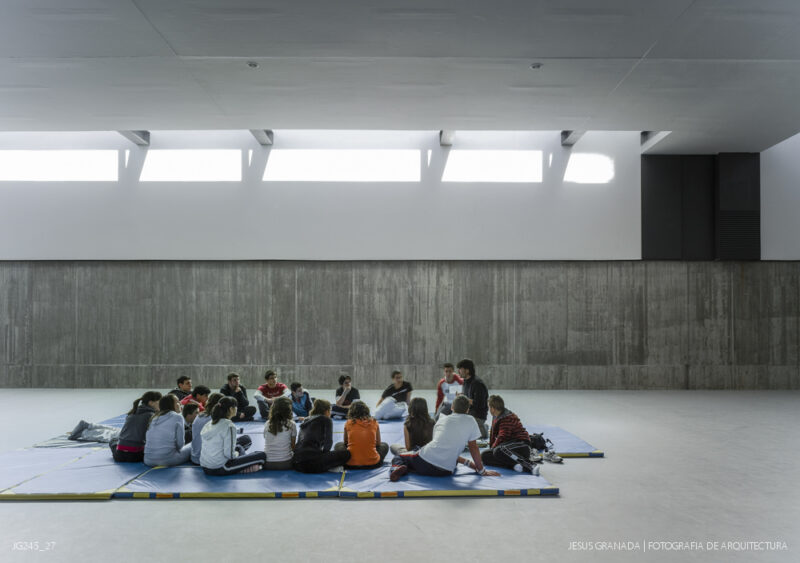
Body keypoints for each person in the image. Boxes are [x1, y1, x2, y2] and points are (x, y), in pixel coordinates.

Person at [389, 395, 500, 481]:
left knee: (399, 456)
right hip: (446, 471)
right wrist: (481, 470)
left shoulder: (441, 421)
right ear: (467, 410)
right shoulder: (471, 420)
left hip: (426, 463)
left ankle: (397, 468)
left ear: (452, 407)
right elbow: (473, 447)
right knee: (436, 454)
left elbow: (439, 447)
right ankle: (408, 467)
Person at [200, 397, 266, 475]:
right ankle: (243, 468)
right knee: (261, 455)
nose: (237, 409)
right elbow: (230, 455)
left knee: (245, 440)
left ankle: (242, 461)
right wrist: (237, 453)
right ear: (231, 409)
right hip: (221, 467)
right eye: (236, 406)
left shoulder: (210, 423)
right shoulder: (229, 426)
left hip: (205, 466)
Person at [481, 395, 539, 474]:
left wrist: (493, 449)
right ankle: (513, 465)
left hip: (521, 446)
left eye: (489, 407)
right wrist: (491, 449)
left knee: (498, 450)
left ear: (493, 408)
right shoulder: (496, 416)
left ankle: (529, 465)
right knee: (484, 456)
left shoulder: (507, 418)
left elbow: (502, 437)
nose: (489, 410)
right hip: (507, 448)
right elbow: (493, 434)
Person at [191, 393, 252, 465]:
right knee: (245, 441)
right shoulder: (216, 420)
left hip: (197, 457)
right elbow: (228, 452)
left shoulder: (200, 415)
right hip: (211, 458)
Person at [292, 399, 350, 473]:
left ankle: (325, 465)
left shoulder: (306, 420)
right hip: (312, 463)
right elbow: (328, 443)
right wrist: (326, 457)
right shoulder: (326, 420)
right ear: (326, 411)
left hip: (297, 464)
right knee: (347, 454)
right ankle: (327, 466)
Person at [109, 391, 162, 462]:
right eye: (159, 402)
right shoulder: (152, 416)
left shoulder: (132, 413)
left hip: (119, 455)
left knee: (113, 440)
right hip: (137, 455)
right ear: (151, 403)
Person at [334, 402, 389, 469]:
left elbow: (346, 442)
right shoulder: (374, 422)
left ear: (351, 412)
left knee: (338, 445)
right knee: (384, 445)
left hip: (350, 464)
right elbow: (378, 443)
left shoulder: (348, 423)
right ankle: (369, 456)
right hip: (373, 464)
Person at [144, 394, 192, 467]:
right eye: (177, 402)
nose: (180, 404)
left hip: (148, 460)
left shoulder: (154, 417)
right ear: (171, 405)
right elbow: (180, 445)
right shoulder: (178, 417)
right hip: (166, 460)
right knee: (193, 444)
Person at [457, 358, 489, 439]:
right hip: (469, 413)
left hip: (478, 415)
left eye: (460, 369)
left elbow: (480, 404)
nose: (458, 371)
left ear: (467, 371)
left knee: (470, 436)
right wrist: (462, 396)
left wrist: (465, 399)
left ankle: (483, 428)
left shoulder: (477, 384)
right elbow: (469, 397)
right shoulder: (465, 381)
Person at [263, 397, 297, 470]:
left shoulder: (267, 423)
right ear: (288, 410)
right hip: (286, 463)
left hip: (267, 464)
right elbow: (293, 446)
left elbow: (267, 440)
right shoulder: (291, 424)